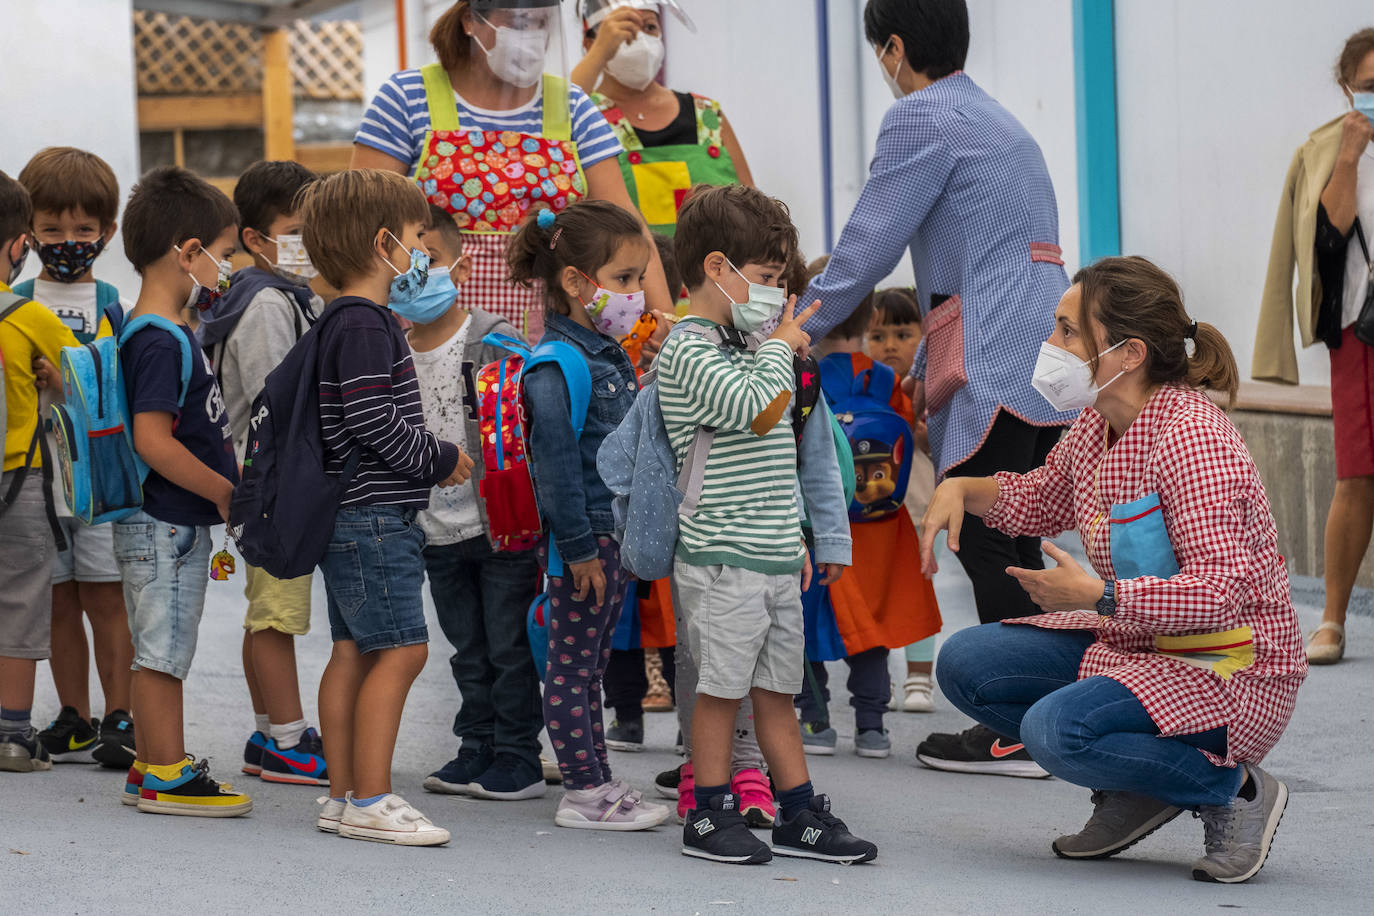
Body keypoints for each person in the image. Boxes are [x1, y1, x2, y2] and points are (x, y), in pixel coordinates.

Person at [924, 257, 1306, 884]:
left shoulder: (1193, 438)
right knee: (966, 664)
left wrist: (1101, 597)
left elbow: (1222, 593)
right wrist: (963, 488)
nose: (1051, 345)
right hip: (1138, 641)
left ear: (1127, 354)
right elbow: (1040, 497)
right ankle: (1140, 785)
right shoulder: (1097, 424)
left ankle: (1232, 791)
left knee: (1055, 733)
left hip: (1228, 663)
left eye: (1068, 332)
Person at [800, 0, 1074, 774]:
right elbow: (981, 256)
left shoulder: (920, 116)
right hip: (1038, 349)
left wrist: (786, 331)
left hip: (989, 355)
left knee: (987, 537)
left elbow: (866, 249)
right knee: (1015, 534)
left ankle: (1018, 727)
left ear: (892, 48)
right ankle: (1041, 718)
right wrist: (922, 367)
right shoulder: (994, 116)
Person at [661, 184, 874, 866]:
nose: (779, 299)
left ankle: (799, 812)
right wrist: (781, 344)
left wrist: (810, 538)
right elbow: (750, 408)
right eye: (766, 280)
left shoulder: (756, 346)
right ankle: (709, 813)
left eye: (783, 283)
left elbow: (790, 444)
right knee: (720, 690)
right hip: (720, 556)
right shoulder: (689, 351)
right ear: (717, 269)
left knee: (778, 691)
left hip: (776, 556)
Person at [296, 169, 473, 845]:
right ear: (383, 245)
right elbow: (371, 419)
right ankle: (371, 796)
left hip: (349, 514)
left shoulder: (340, 320)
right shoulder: (368, 325)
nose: (423, 255)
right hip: (375, 517)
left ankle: (343, 795)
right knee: (401, 650)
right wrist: (436, 456)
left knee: (353, 649)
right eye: (416, 240)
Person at [352, 0, 673, 337]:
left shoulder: (572, 106)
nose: (531, 36)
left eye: (541, 24)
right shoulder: (406, 98)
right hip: (424, 338)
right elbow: (364, 225)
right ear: (469, 21)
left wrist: (660, 319)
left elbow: (625, 223)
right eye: (519, 22)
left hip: (550, 346)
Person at [507, 199, 670, 831]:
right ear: (576, 282)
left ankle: (598, 779)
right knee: (572, 669)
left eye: (637, 278)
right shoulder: (559, 363)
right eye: (624, 279)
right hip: (587, 545)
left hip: (610, 539)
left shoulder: (604, 352)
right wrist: (576, 550)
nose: (635, 292)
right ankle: (583, 792)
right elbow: (554, 469)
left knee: (592, 663)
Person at [113, 166, 249, 815]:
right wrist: (224, 490)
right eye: (222, 256)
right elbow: (153, 439)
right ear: (187, 253)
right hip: (164, 522)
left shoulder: (164, 333)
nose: (225, 270)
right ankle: (166, 773)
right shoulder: (159, 340)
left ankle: (151, 761)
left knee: (163, 644)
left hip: (167, 523)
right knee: (163, 652)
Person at [196, 160, 328, 786]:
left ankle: (268, 727)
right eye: (297, 230)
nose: (310, 243)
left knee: (264, 611)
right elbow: (283, 398)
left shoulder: (271, 295)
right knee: (277, 614)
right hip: (277, 482)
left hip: (266, 478)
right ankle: (288, 738)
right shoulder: (270, 303)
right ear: (255, 238)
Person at [408, 204, 546, 801]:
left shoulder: (495, 340)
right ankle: (477, 745)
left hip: (501, 529)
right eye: (408, 262)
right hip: (435, 533)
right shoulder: (387, 346)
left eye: (430, 260)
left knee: (510, 648)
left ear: (460, 267)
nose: (418, 273)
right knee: (468, 649)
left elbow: (537, 426)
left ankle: (519, 756)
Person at [1254, 29, 1374, 665]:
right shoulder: (1327, 148)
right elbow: (1328, 241)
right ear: (1348, 87)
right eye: (1370, 84)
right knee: (1356, 475)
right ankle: (1331, 618)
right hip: (1359, 330)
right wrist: (1352, 156)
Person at [13, 147, 135, 767]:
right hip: (35, 478)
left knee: (105, 595)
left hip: (98, 478)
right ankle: (73, 714)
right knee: (58, 598)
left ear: (107, 231)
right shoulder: (16, 298)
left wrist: (70, 381)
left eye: (84, 229)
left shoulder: (114, 302)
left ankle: (121, 713)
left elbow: (125, 386)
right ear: (28, 231)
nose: (68, 241)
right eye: (52, 228)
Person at [797, 275, 941, 758]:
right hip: (880, 525)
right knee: (874, 626)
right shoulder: (884, 380)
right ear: (867, 322)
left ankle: (815, 722)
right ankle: (871, 726)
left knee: (809, 619)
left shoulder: (804, 373)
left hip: (822, 522)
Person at [0, 170, 81, 774]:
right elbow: (86, 384)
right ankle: (13, 734)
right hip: (17, 485)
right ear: (17, 246)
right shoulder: (27, 317)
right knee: (21, 602)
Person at [572, 0, 755, 236]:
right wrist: (599, 52)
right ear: (590, 42)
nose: (639, 39)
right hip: (635, 271)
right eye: (623, 28)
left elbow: (754, 211)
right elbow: (559, 116)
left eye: (650, 28)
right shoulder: (586, 115)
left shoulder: (707, 114)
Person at [866, 286, 939, 712]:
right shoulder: (868, 388)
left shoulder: (925, 392)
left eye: (902, 333)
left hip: (917, 508)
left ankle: (918, 678)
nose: (890, 344)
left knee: (917, 591)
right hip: (874, 512)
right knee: (876, 590)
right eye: (878, 336)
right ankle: (881, 679)